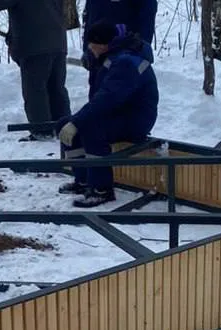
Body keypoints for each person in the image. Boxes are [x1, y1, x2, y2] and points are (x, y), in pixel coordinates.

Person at [56, 20, 159, 208]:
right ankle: (83, 180)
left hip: (136, 119)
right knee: (65, 123)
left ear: (104, 45)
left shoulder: (126, 62)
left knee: (91, 129)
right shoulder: (113, 55)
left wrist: (77, 122)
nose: (90, 49)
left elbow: (107, 98)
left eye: (92, 45)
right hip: (117, 113)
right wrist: (75, 121)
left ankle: (101, 190)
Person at [0, 0, 71, 142]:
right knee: (56, 87)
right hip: (58, 42)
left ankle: (42, 131)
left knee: (35, 90)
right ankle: (64, 127)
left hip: (34, 45)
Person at [81, 0, 157, 99]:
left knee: (122, 102)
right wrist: (87, 49)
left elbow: (147, 22)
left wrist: (138, 50)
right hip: (98, 57)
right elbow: (90, 15)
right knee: (97, 100)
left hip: (126, 59)